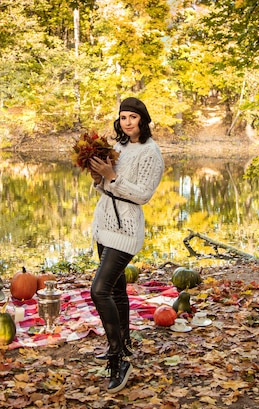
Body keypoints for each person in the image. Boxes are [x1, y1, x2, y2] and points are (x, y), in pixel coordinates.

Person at [88, 97, 164, 393]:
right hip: (104, 223)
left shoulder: (151, 152)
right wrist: (99, 177)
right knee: (116, 289)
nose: (127, 122)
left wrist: (113, 176)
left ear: (143, 120)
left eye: (133, 117)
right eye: (122, 117)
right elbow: (106, 184)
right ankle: (125, 344)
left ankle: (118, 359)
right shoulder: (118, 147)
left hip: (126, 228)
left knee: (100, 290)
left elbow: (143, 194)